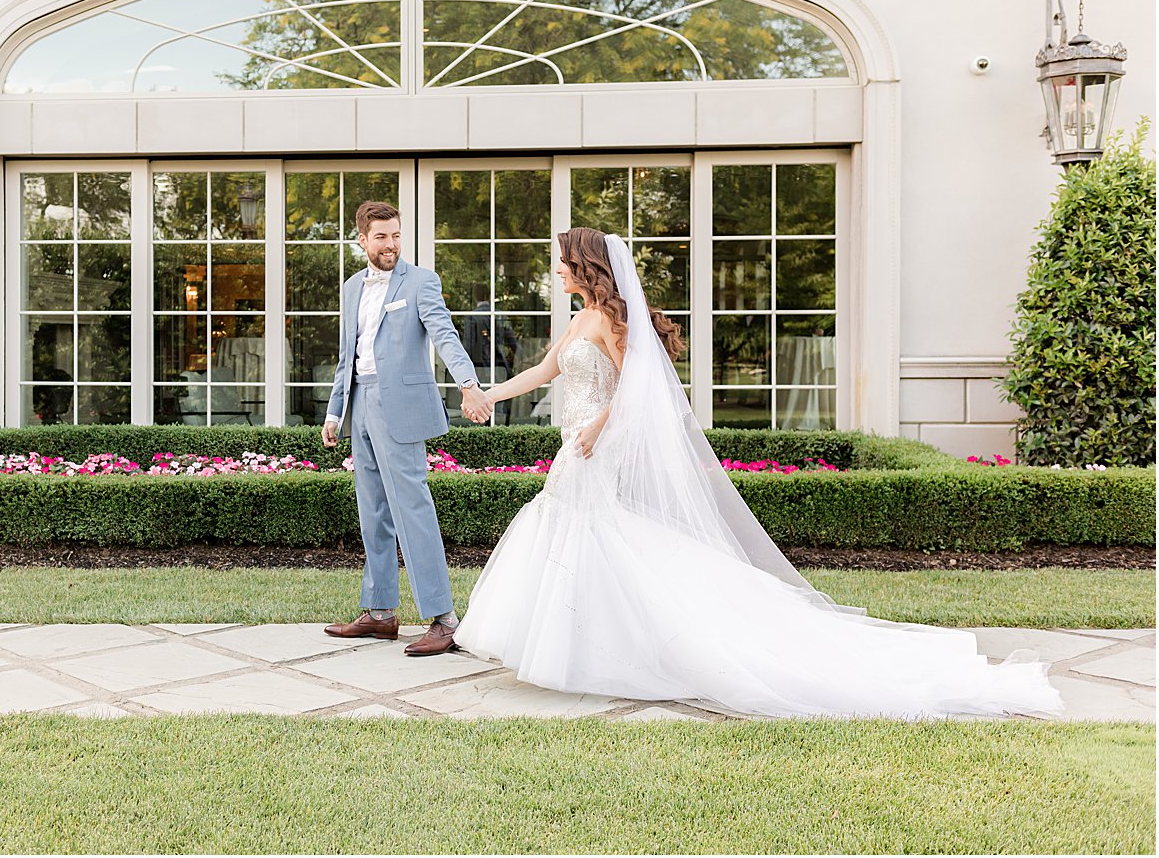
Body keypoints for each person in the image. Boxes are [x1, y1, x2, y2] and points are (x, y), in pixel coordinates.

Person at [452, 227, 1063, 719]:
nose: (554, 269)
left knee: (598, 540)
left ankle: (626, 647)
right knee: (576, 540)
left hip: (596, 448)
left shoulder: (615, 322)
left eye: (561, 261)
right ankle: (579, 650)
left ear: (584, 267)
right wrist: (486, 395)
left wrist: (598, 427)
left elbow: (642, 390)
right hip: (574, 447)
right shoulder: (580, 319)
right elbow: (542, 373)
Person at [321, 201, 492, 657]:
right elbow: (347, 356)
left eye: (396, 235)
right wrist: (335, 412)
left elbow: (445, 335)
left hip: (401, 409)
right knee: (372, 511)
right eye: (381, 237)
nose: (391, 244)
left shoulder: (420, 282)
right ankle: (380, 613)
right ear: (362, 240)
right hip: (360, 405)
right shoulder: (352, 287)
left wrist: (469, 384)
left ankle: (444, 619)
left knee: (412, 510)